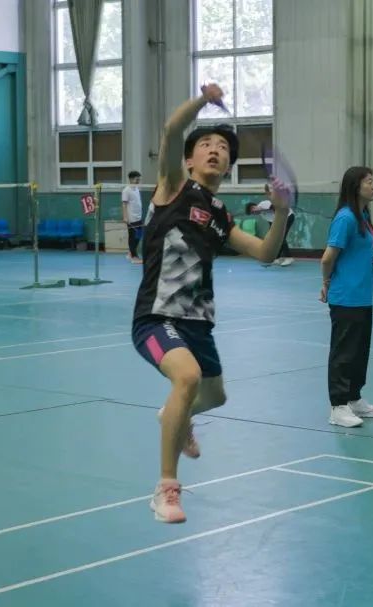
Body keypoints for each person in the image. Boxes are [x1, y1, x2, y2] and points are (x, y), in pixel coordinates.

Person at [133, 83, 292, 523]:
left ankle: (175, 416)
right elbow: (171, 131)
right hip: (156, 317)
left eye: (222, 147)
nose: (215, 150)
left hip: (199, 324)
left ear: (228, 165)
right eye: (205, 144)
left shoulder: (220, 214)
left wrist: (281, 212)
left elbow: (265, 253)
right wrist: (203, 101)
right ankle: (166, 489)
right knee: (187, 378)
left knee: (215, 395)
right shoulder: (173, 187)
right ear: (188, 159)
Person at [319, 166, 373, 428]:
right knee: (343, 353)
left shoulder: (363, 216)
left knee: (359, 352)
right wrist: (326, 283)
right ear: (355, 187)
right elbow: (327, 258)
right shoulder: (345, 218)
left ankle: (354, 398)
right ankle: (338, 406)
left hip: (363, 296)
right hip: (345, 296)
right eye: (369, 182)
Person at [249, 183, 295, 267]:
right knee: (276, 238)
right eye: (253, 213)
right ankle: (277, 258)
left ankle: (289, 257)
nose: (254, 212)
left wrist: (263, 209)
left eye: (254, 209)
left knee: (282, 237)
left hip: (288, 216)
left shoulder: (263, 204)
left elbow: (275, 207)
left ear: (255, 206)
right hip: (280, 220)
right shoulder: (262, 215)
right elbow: (272, 223)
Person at [122, 171, 144, 263]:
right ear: (131, 179)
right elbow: (124, 204)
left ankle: (130, 253)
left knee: (139, 235)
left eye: (139, 179)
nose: (138, 181)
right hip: (131, 218)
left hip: (139, 217)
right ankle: (134, 257)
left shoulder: (137, 189)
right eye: (137, 179)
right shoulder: (126, 190)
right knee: (132, 237)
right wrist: (125, 217)